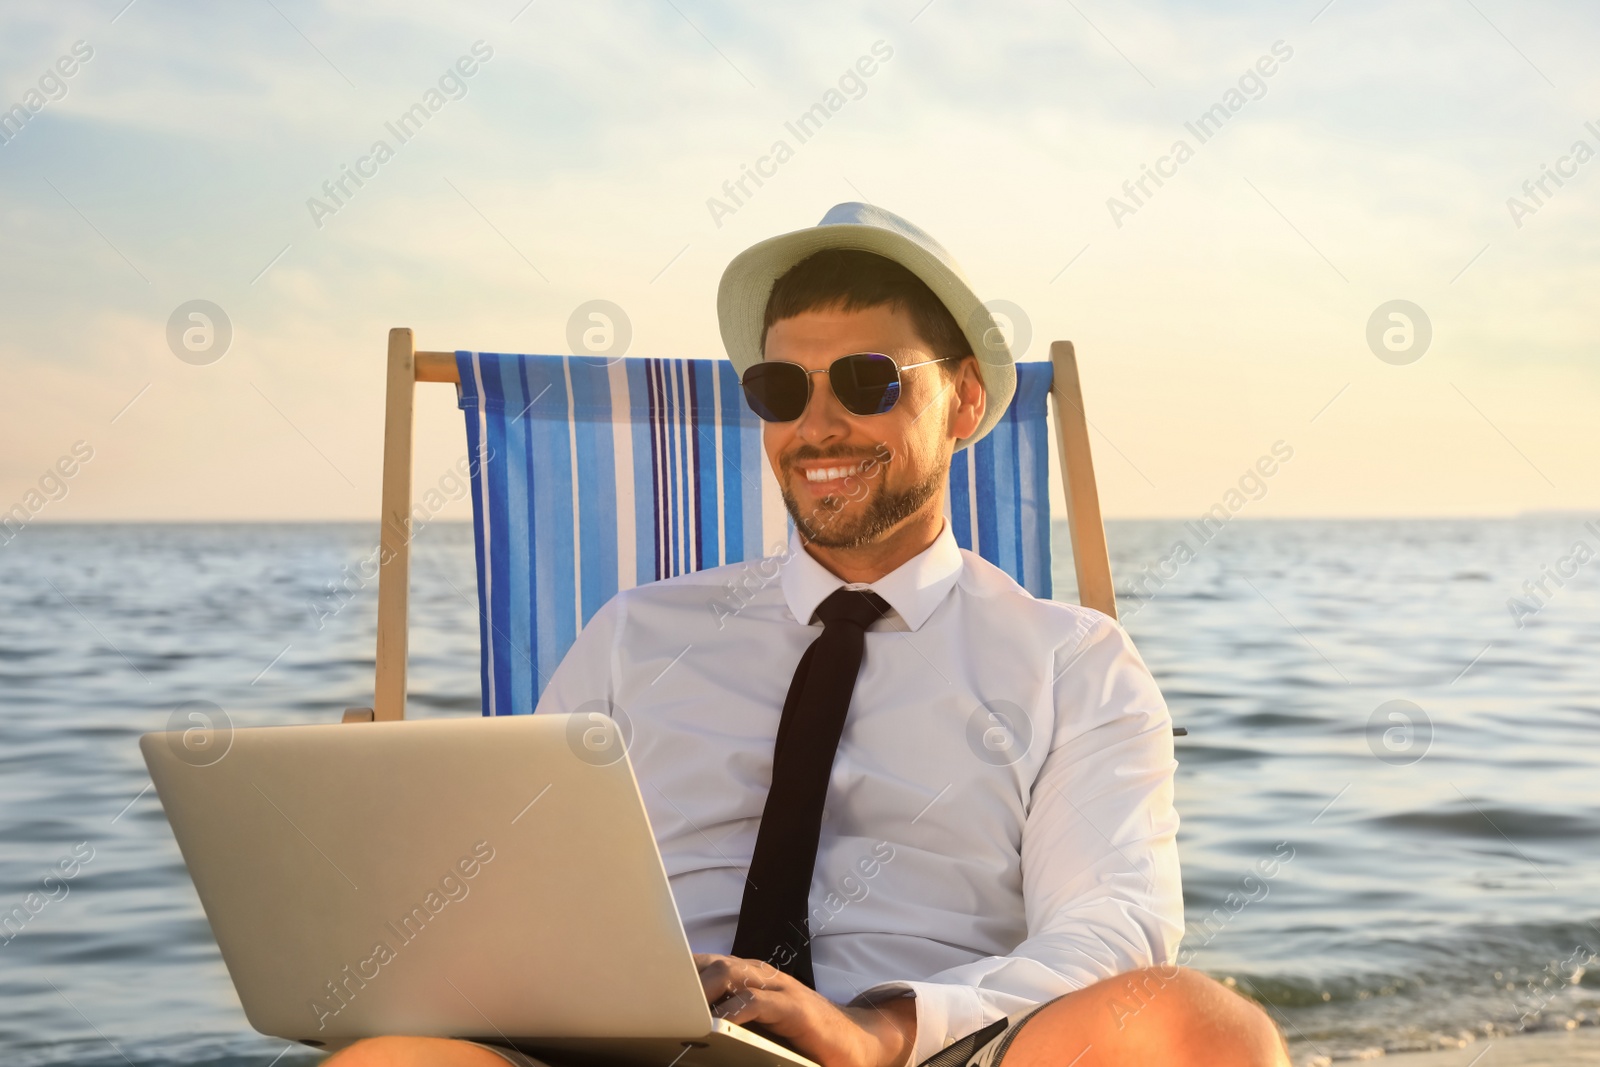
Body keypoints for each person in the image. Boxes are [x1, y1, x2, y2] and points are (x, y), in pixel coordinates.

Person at [329, 204, 1290, 1067]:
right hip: (640, 1050)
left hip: (936, 1053)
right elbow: (515, 892)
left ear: (961, 402)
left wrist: (884, 1028)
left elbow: (1110, 927)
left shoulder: (1069, 662)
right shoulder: (635, 634)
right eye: (781, 388)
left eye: (868, 382)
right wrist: (394, 861)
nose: (817, 424)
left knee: (1204, 1031)